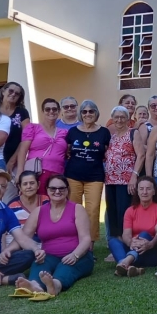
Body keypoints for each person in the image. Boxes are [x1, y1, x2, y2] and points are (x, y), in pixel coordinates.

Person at [8, 174, 94, 300]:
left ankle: (55, 285)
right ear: (47, 190)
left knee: (65, 267)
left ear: (67, 190)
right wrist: (8, 250)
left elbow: (86, 238)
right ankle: (35, 286)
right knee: (40, 264)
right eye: (53, 188)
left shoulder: (77, 209)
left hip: (78, 255)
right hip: (50, 255)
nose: (57, 191)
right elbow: (23, 237)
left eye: (61, 188)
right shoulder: (39, 211)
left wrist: (75, 255)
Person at [65, 99, 111, 246]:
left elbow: (108, 153)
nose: (87, 114)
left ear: (96, 113)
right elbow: (67, 151)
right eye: (84, 111)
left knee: (92, 210)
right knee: (73, 210)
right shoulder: (73, 132)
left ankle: (89, 244)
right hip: (73, 176)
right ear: (81, 114)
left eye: (91, 111)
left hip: (95, 177)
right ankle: (74, 242)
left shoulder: (104, 132)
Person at [108, 176, 157, 276]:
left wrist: (150, 244)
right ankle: (131, 267)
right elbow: (126, 234)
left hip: (152, 252)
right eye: (141, 189)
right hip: (134, 248)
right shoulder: (130, 210)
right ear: (137, 191)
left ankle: (124, 263)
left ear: (154, 191)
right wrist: (130, 242)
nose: (144, 192)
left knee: (144, 234)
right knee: (113, 241)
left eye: (148, 189)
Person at [104, 106, 142, 244]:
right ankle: (117, 243)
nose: (119, 120)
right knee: (112, 212)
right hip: (110, 181)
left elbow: (141, 155)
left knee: (124, 212)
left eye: (122, 117)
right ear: (112, 119)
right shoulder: (112, 137)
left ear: (127, 119)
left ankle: (127, 242)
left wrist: (134, 176)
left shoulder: (133, 133)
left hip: (126, 181)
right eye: (116, 117)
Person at [16, 98, 69, 196]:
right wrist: (20, 172)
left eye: (54, 109)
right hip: (37, 172)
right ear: (42, 111)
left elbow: (67, 153)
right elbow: (23, 151)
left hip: (58, 173)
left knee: (55, 204)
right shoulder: (33, 128)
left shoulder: (64, 132)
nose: (51, 111)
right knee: (36, 202)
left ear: (59, 111)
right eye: (47, 109)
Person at [4, 170, 49, 246]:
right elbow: (5, 231)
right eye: (25, 184)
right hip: (18, 245)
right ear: (19, 187)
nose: (29, 186)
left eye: (32, 183)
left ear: (38, 185)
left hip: (43, 244)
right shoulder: (12, 205)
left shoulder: (46, 201)